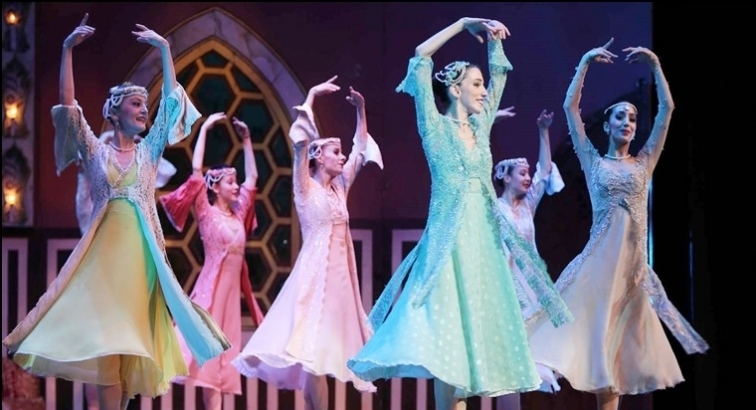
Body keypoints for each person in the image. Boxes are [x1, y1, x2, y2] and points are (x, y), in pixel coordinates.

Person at [2, 14, 229, 410]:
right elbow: (69, 108)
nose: (144, 111)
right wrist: (66, 50)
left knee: (125, 358)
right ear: (115, 111)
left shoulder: (149, 152)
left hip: (140, 265)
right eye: (136, 104)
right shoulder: (96, 151)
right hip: (104, 266)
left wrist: (165, 50)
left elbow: (171, 105)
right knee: (108, 349)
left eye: (144, 105)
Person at [347, 18, 572, 410]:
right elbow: (421, 57)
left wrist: (495, 42)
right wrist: (463, 24)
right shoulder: (434, 127)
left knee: (469, 353)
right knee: (446, 353)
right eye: (476, 84)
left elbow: (500, 76)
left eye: (483, 85)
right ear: (455, 89)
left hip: (482, 247)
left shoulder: (481, 128)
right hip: (447, 247)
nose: (484, 92)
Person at [525, 38, 709, 410]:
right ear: (607, 125)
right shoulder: (593, 161)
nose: (627, 123)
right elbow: (570, 108)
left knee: (618, 363)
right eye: (620, 117)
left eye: (632, 119)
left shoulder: (644, 162)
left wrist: (655, 65)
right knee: (600, 359)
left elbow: (667, 110)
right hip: (598, 271)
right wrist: (585, 63)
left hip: (632, 273)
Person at [232, 78, 383, 410]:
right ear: (318, 156)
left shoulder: (340, 188)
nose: (342, 157)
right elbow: (300, 143)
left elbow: (360, 149)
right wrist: (312, 97)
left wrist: (360, 111)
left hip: (340, 283)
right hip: (315, 280)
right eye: (335, 152)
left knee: (321, 357)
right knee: (312, 355)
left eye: (340, 152)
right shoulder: (305, 188)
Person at [159, 112, 264, 410]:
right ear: (216, 187)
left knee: (225, 357)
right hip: (211, 294)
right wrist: (204, 128)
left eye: (235, 182)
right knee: (208, 357)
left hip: (231, 299)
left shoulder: (239, 214)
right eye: (231, 182)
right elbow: (195, 172)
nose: (236, 186)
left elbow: (253, 180)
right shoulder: (206, 213)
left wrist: (247, 141)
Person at [75, 130, 177, 410]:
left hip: (132, 272)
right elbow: (84, 209)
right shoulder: (96, 196)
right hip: (102, 273)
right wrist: (102, 152)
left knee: (126, 359)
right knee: (104, 355)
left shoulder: (138, 182)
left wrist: (133, 150)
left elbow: (165, 170)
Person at [491, 109, 565, 410]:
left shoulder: (527, 206)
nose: (526, 178)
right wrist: (488, 123)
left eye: (526, 174)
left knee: (529, 350)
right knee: (509, 355)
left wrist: (543, 131)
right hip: (506, 285)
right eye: (521, 174)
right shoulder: (495, 207)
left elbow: (544, 171)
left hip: (531, 285)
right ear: (506, 177)